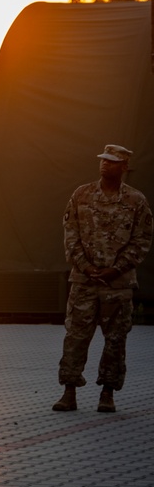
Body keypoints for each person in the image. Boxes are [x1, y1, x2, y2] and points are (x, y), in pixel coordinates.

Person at [52, 144, 153, 413]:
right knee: (75, 336)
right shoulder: (81, 195)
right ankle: (69, 392)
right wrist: (85, 267)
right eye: (103, 160)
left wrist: (117, 268)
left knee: (116, 340)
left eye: (112, 161)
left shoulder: (135, 200)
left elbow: (142, 240)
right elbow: (70, 233)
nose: (105, 164)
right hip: (84, 282)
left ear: (124, 167)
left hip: (118, 285)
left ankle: (108, 393)